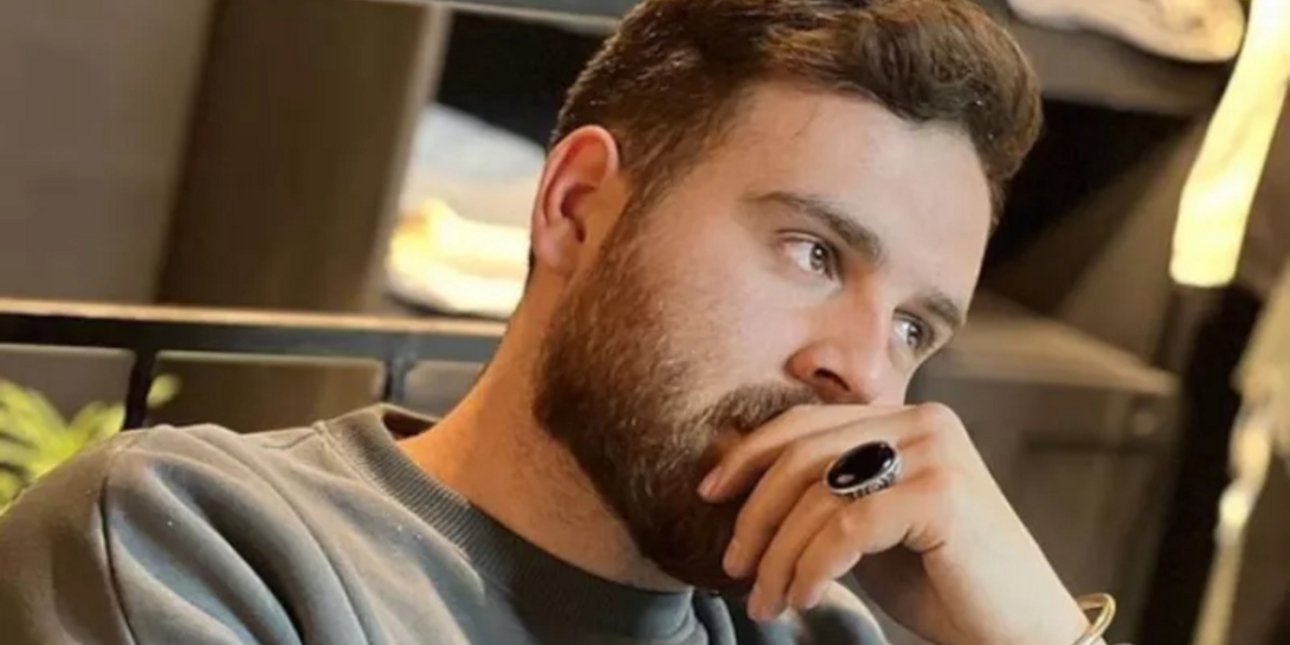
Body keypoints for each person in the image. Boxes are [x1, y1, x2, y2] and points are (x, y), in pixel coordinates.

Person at [0, 1, 1103, 643]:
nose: (861, 372)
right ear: (578, 207)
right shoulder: (196, 545)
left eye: (914, 329)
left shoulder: (816, 627)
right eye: (814, 253)